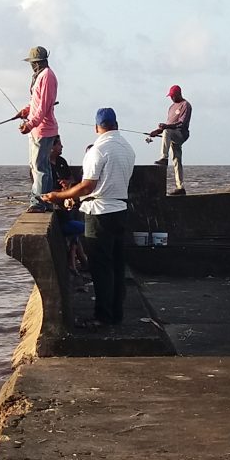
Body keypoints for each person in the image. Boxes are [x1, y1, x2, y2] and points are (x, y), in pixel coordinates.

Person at [41, 108, 136, 324]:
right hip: (121, 210)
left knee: (101, 267)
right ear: (116, 124)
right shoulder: (128, 149)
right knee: (117, 266)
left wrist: (59, 195)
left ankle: (102, 316)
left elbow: (87, 186)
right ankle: (116, 314)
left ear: (96, 127)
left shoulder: (98, 150)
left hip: (101, 213)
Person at [16, 46, 59, 212]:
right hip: (38, 129)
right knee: (42, 166)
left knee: (39, 167)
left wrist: (30, 124)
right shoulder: (40, 76)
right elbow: (35, 103)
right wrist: (25, 112)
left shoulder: (46, 76)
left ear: (37, 63)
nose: (31, 66)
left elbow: (43, 106)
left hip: (43, 129)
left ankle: (38, 203)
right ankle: (45, 200)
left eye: (32, 63)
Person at [146, 85, 192, 196]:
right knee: (177, 160)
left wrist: (166, 127)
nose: (171, 98)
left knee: (167, 132)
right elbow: (167, 125)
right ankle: (180, 187)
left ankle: (164, 158)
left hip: (181, 134)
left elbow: (182, 122)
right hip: (171, 134)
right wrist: (157, 131)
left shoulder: (186, 105)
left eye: (173, 96)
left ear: (179, 94)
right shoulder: (171, 107)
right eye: (170, 96)